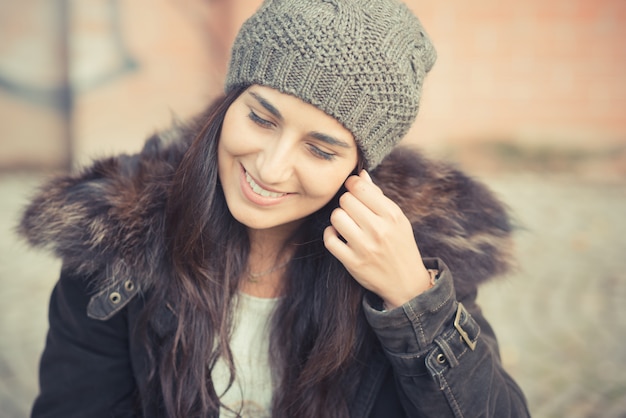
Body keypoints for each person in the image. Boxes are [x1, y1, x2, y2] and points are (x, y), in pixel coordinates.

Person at [19, 0, 530, 417]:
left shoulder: (416, 246)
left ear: (359, 168)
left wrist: (413, 301)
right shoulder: (118, 232)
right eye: (262, 119)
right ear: (228, 104)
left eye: (320, 149)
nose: (271, 167)